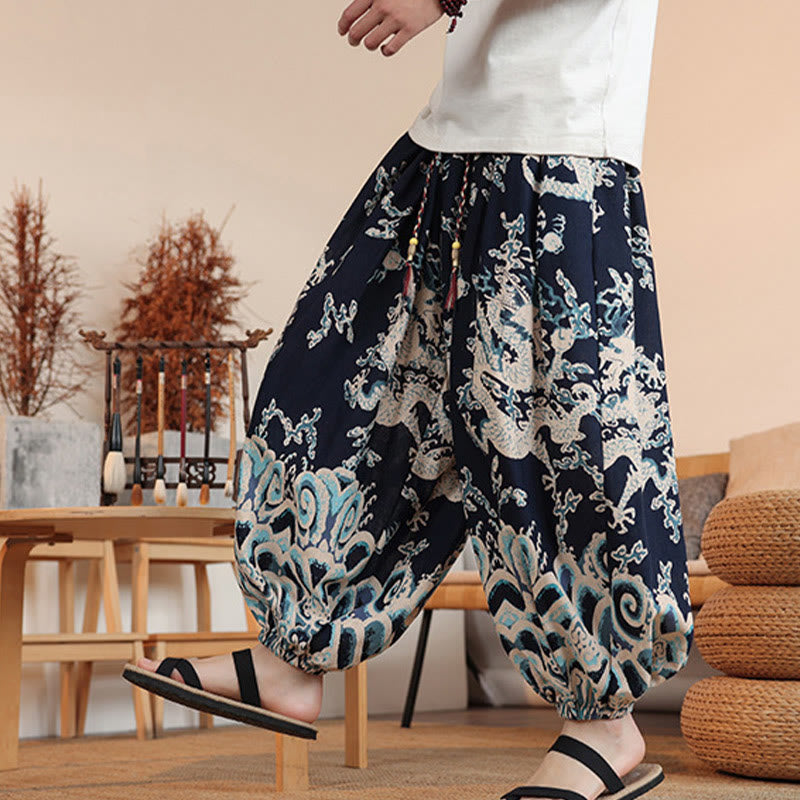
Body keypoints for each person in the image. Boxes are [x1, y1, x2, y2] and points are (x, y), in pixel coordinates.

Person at [125, 1, 694, 798]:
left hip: (560, 155)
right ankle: (294, 655)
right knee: (332, 390)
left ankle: (605, 721)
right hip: (447, 150)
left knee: (562, 450)